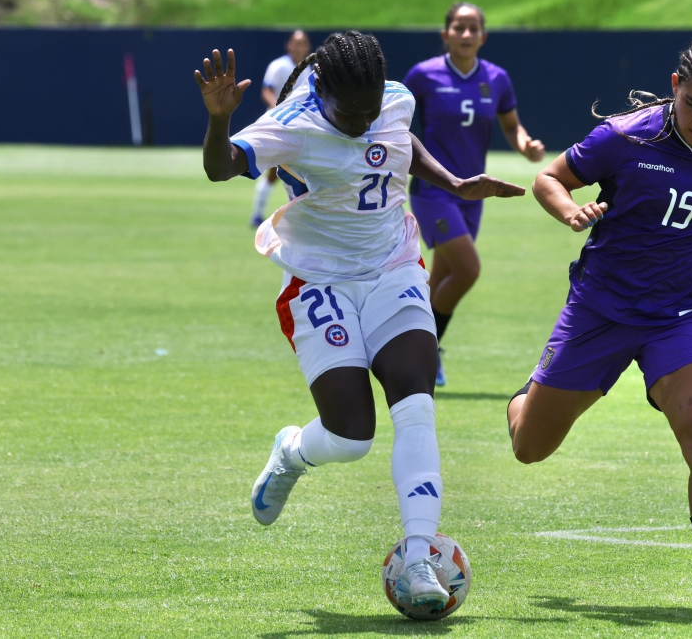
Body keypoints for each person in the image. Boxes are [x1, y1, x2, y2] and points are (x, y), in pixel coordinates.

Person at [192, 31, 523, 610]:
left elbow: (400, 139)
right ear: (320, 90)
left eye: (371, 109)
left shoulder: (393, 98)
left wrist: (450, 181)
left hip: (394, 268)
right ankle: (291, 453)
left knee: (416, 405)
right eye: (351, 113)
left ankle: (419, 558)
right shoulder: (291, 124)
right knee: (351, 438)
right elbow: (222, 168)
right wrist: (219, 120)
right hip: (319, 279)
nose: (364, 121)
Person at [504, 36, 692, 621]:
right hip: (600, 310)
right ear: (675, 86)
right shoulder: (624, 137)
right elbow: (549, 179)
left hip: (678, 316)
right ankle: (525, 398)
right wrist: (570, 211)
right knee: (530, 449)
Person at [404, 2, 545, 387]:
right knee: (468, 270)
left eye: (473, 28)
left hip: (475, 194)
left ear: (483, 36)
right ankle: (425, 352)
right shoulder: (423, 75)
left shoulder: (497, 78)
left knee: (443, 276)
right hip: (434, 191)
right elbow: (395, 122)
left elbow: (512, 126)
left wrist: (526, 144)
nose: (466, 35)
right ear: (445, 34)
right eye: (458, 28)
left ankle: (409, 346)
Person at [249, 30, 313, 227]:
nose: (298, 47)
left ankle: (295, 216)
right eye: (295, 43)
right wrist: (279, 109)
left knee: (301, 172)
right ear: (288, 45)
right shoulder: (278, 65)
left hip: (301, 127)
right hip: (277, 125)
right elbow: (266, 90)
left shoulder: (309, 69)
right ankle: (257, 214)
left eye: (302, 43)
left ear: (308, 47)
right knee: (272, 173)